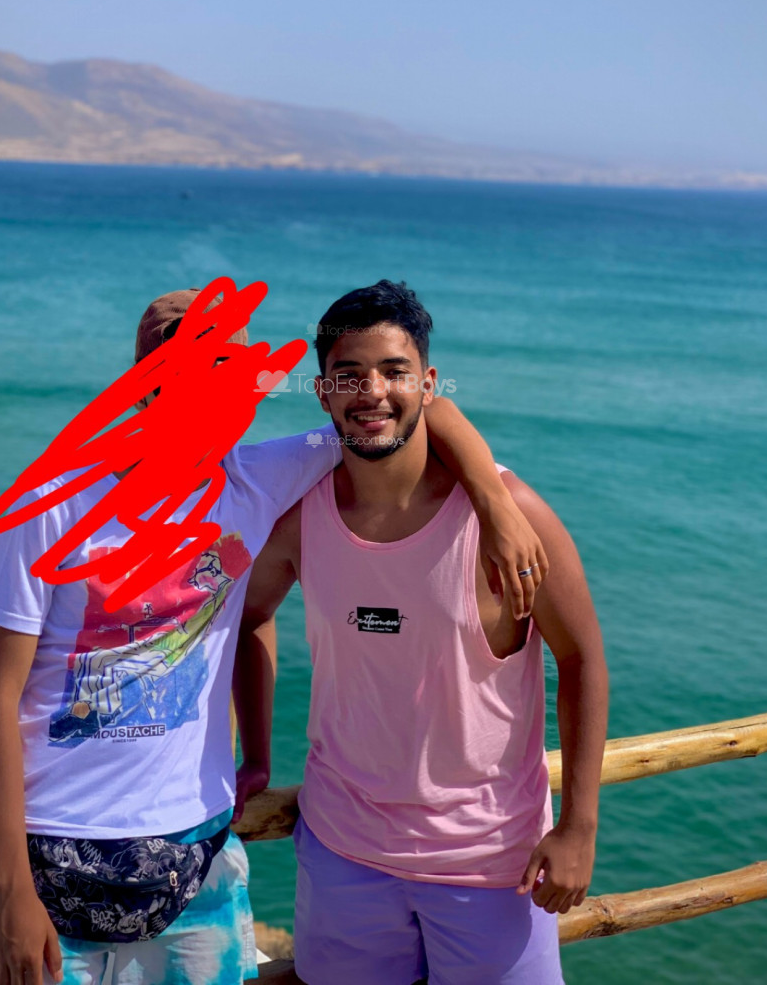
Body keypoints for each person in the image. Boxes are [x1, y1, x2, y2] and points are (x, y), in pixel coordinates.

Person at [0, 284, 547, 985]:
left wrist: (493, 499)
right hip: (53, 848)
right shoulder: (54, 503)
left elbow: (417, 408)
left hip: (200, 847)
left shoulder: (256, 479)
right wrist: (10, 892)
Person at [235, 280, 609, 985]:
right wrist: (254, 756)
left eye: (394, 371)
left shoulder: (508, 514)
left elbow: (582, 658)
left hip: (491, 864)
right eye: (349, 374)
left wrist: (579, 826)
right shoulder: (301, 517)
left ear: (428, 385)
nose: (372, 392)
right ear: (322, 393)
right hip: (342, 853)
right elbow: (246, 619)